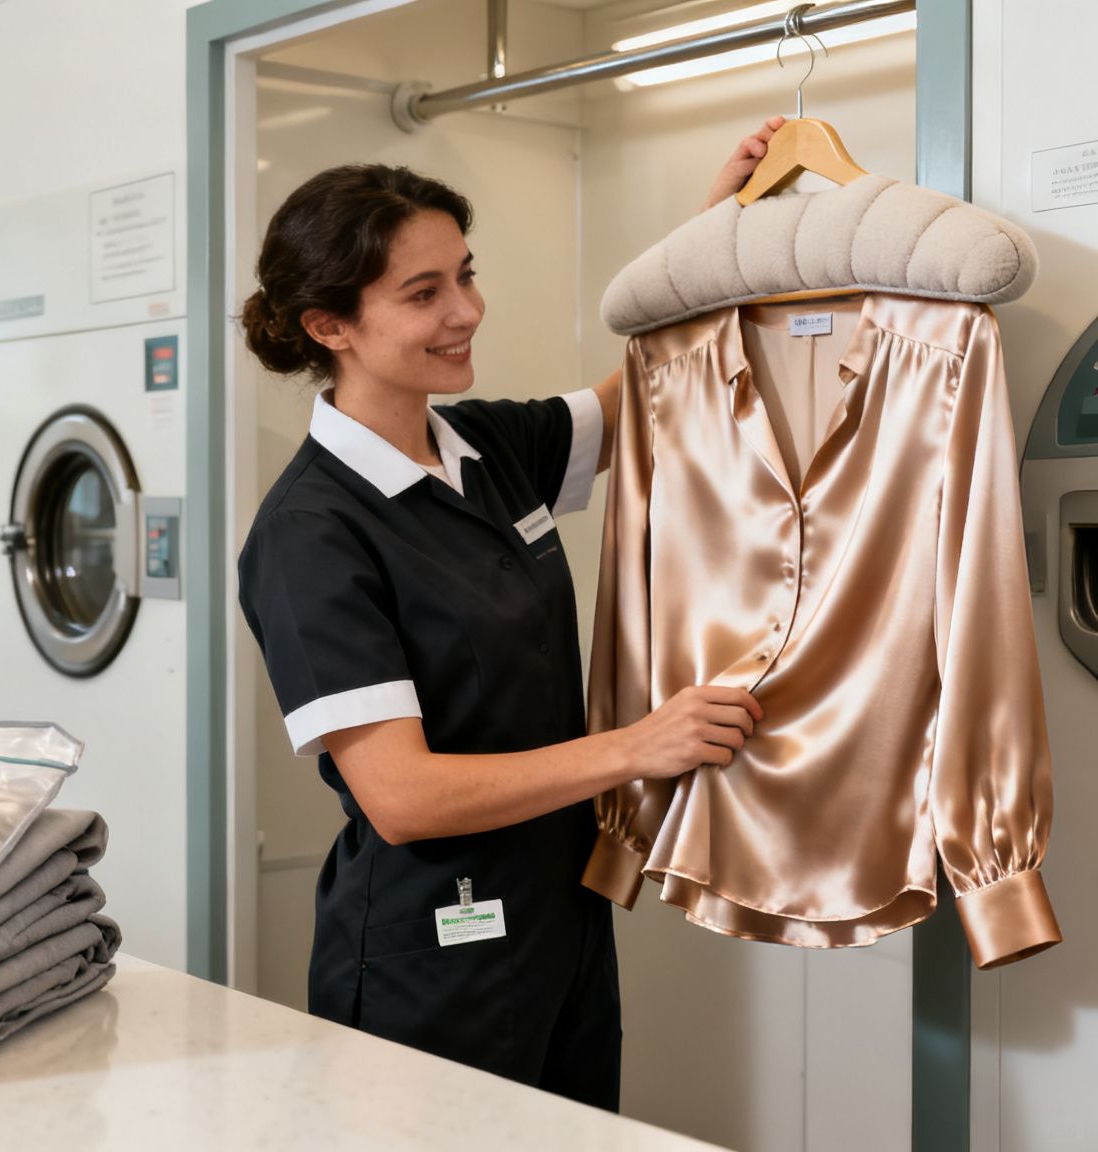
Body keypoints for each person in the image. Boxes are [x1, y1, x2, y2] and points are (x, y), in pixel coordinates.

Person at [234, 118, 786, 1110]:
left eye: (464, 275)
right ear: (327, 327)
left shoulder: (484, 446)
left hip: (557, 917)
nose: (466, 311)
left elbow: (652, 389)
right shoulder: (309, 533)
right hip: (428, 953)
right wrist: (636, 748)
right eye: (423, 293)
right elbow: (398, 796)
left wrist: (719, 236)